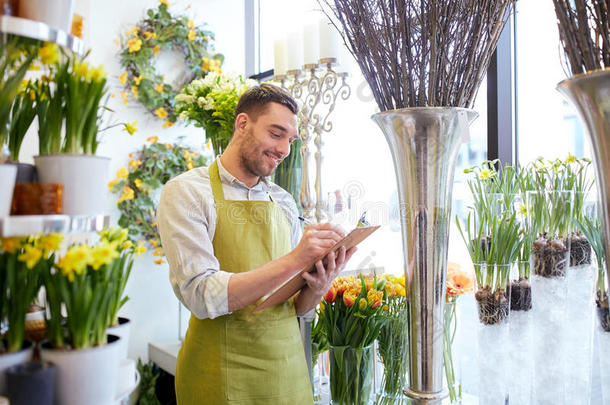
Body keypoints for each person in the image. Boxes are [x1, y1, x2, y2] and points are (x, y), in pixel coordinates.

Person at [157, 83, 357, 405]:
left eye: (290, 140)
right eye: (276, 134)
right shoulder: (187, 193)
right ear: (242, 124)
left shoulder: (284, 201)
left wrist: (318, 284)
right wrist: (295, 259)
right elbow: (201, 294)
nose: (284, 149)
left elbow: (296, 308)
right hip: (220, 377)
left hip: (288, 375)